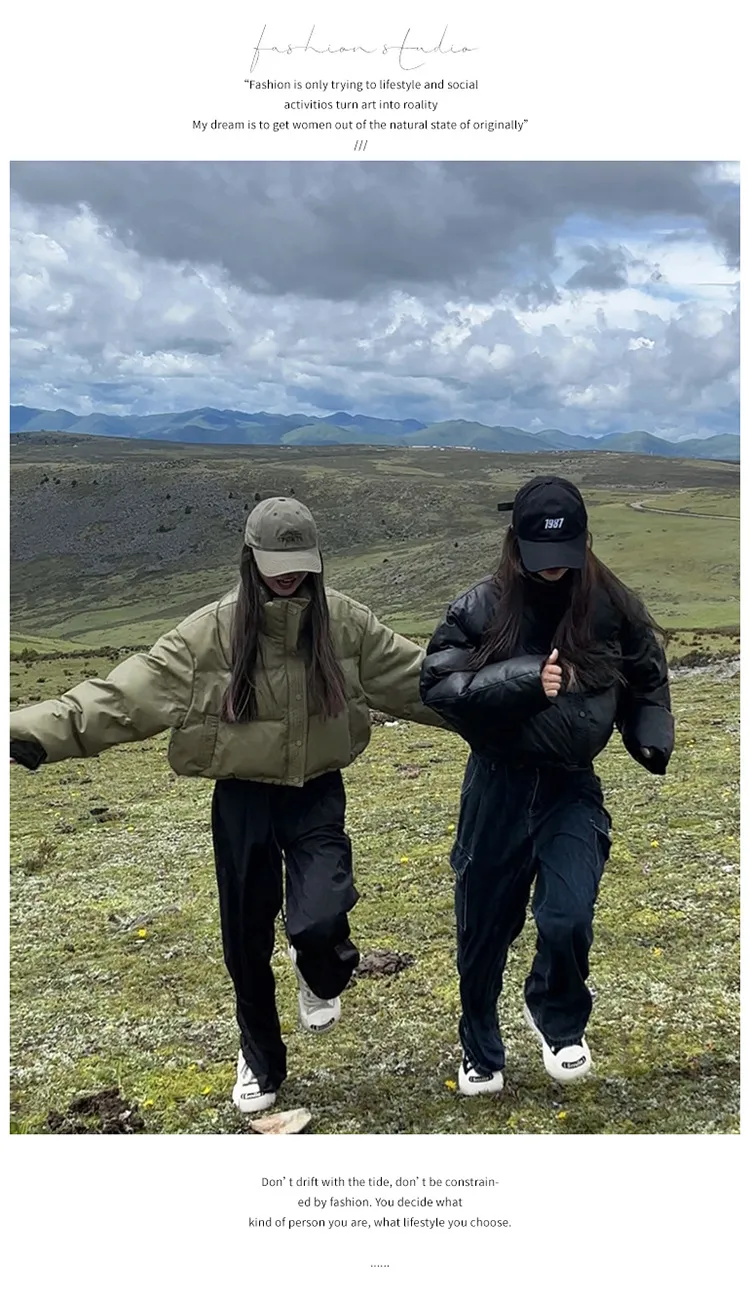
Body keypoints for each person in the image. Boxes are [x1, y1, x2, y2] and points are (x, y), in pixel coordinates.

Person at [10, 497, 442, 1114]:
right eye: (276, 562)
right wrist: (24, 732)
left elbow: (421, 682)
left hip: (317, 791)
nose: (289, 574)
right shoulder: (208, 633)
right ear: (250, 557)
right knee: (244, 941)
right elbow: (121, 698)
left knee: (320, 918)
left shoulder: (347, 623)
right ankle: (260, 1059)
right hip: (241, 799)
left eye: (300, 562)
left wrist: (514, 705)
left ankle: (319, 970)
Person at [419, 476, 674, 1094]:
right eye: (541, 557)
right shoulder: (479, 607)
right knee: (482, 932)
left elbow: (648, 672)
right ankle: (480, 1049)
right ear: (516, 544)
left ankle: (556, 1015)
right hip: (498, 787)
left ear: (586, 544)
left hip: (570, 787)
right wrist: (524, 678)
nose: (554, 571)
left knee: (567, 915)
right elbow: (438, 686)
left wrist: (649, 732)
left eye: (568, 557)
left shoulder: (614, 605)